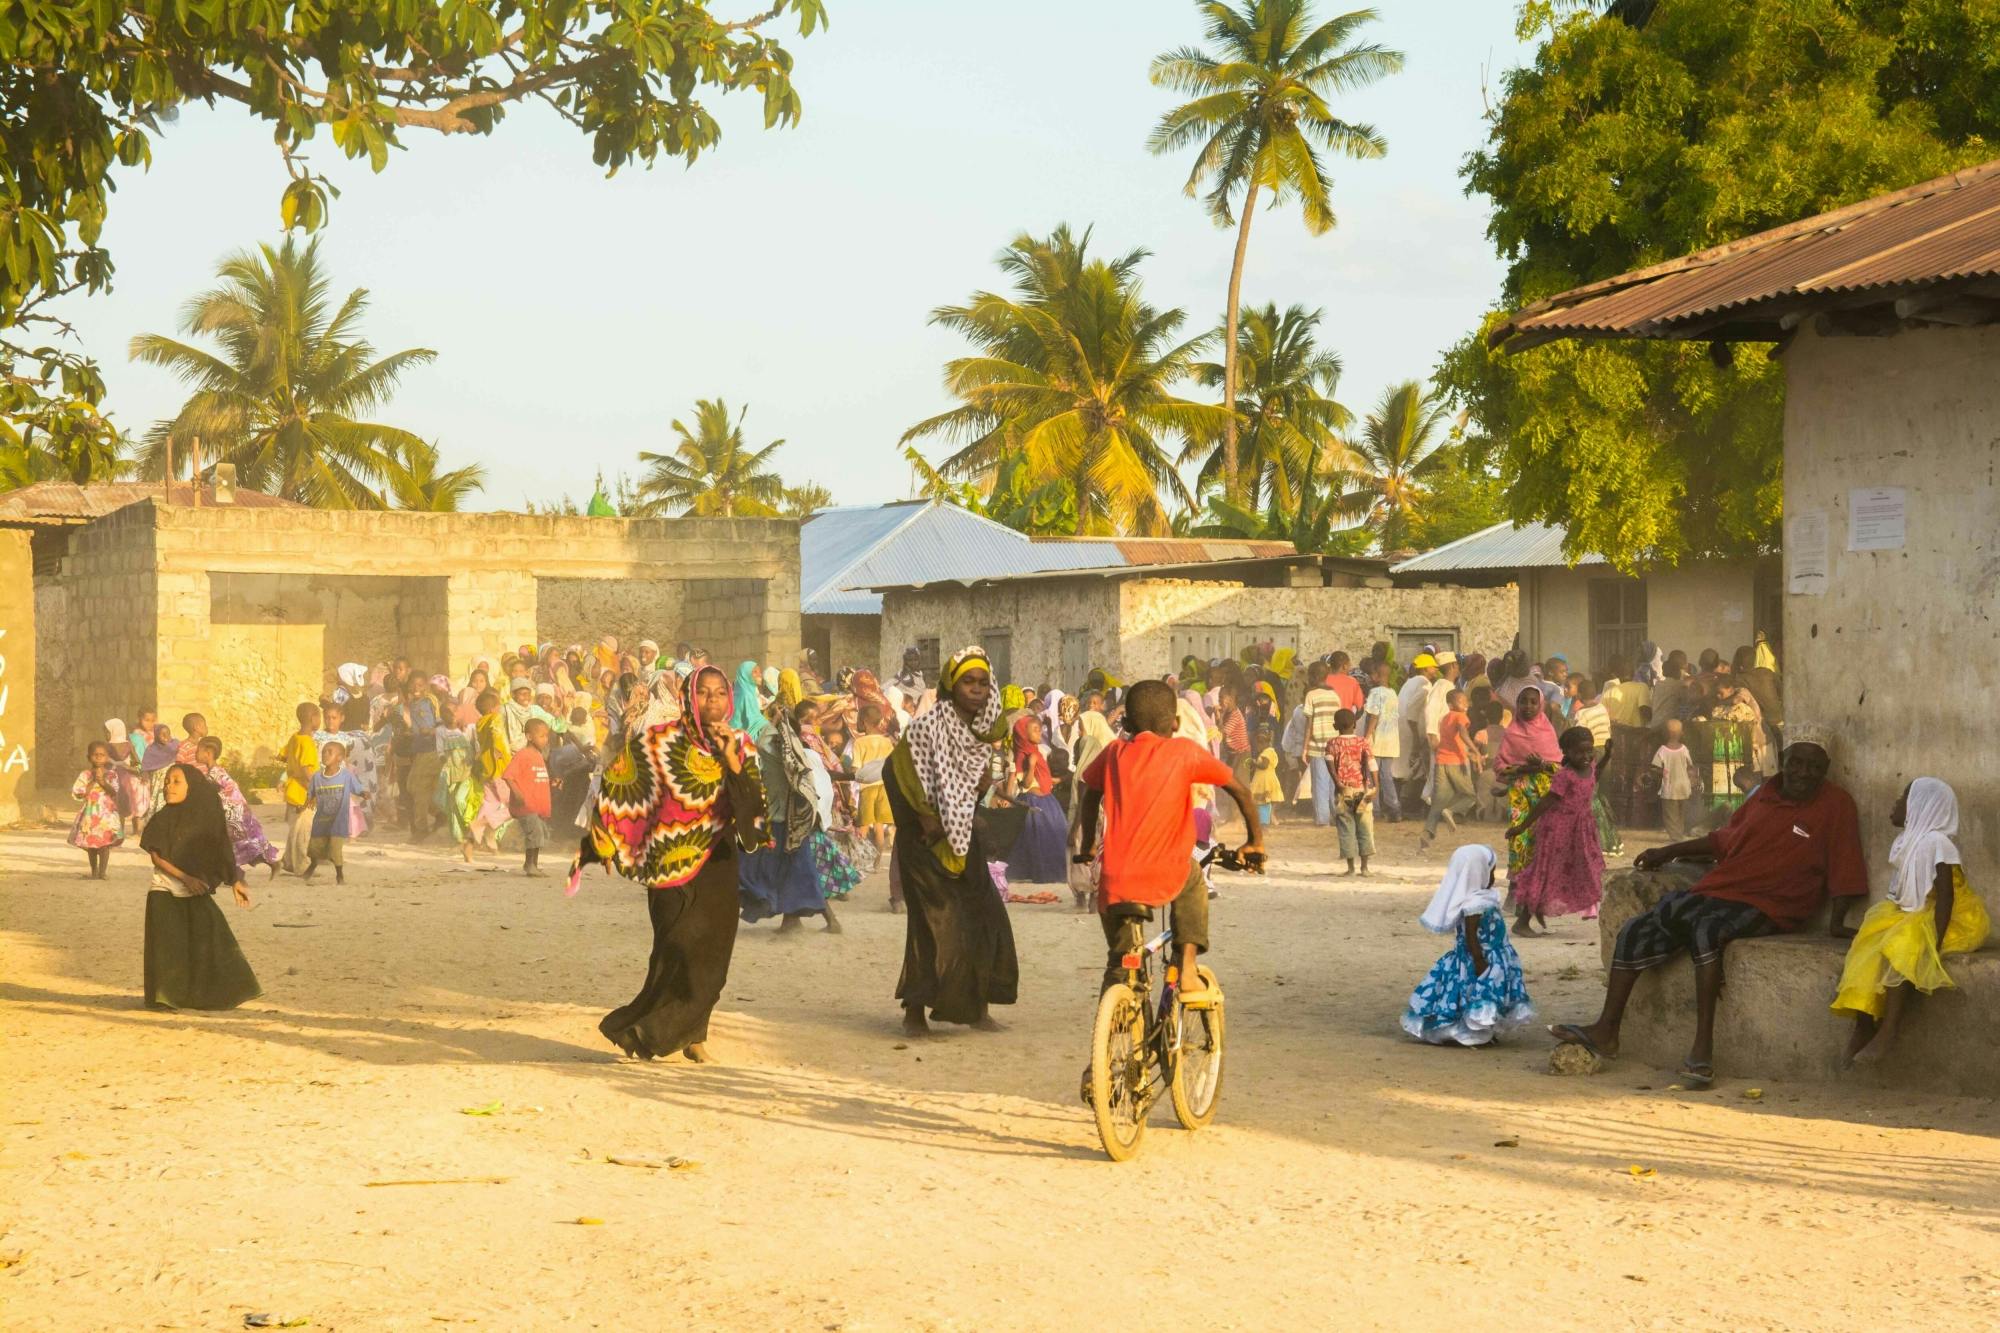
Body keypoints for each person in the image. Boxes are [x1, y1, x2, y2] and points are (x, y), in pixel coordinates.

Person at [1549, 728, 1865, 1089]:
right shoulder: (1764, 796)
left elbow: (1846, 862)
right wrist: (1668, 851)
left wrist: (1838, 922)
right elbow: (1724, 840)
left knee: (1707, 930)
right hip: (1727, 887)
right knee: (1645, 924)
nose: (1804, 773)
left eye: (1814, 767)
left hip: (1777, 903)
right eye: (1797, 763)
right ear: (1785, 763)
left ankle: (1702, 1049)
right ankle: (1606, 1029)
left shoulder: (1836, 805)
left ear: (1825, 769)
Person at [580, 664, 766, 1063]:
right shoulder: (659, 742)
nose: (712, 701)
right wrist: (603, 839)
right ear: (688, 697)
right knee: (675, 947)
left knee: (712, 958)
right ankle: (652, 1027)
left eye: (719, 693)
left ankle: (692, 1036)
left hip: (718, 861)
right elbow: (617, 784)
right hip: (665, 862)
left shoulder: (744, 746)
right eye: (704, 693)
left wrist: (732, 762)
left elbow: (752, 808)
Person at [1075, 678, 1261, 1013]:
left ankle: (1099, 1060)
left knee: (1119, 964)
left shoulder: (1114, 752)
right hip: (1168, 872)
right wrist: (1255, 842)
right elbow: (1241, 791)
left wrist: (1089, 846)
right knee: (1193, 876)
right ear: (1175, 724)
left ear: (1127, 725)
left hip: (1116, 879)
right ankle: (1187, 968)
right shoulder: (1184, 751)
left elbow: (1089, 796)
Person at [882, 646, 1019, 1035]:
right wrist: (924, 817)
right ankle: (914, 1012)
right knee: (933, 926)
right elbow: (898, 772)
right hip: (924, 844)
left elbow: (964, 793)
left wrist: (978, 791)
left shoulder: (980, 734)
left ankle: (976, 1008)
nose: (975, 689)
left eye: (982, 683)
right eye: (967, 682)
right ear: (950, 685)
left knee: (983, 918)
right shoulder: (927, 727)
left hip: (962, 838)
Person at [1832, 778, 1990, 1069]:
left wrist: (1934, 943)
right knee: (1868, 941)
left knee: (1904, 943)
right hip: (1917, 911)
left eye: (1903, 798)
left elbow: (1946, 898)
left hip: (1955, 919)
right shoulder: (1909, 841)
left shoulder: (1938, 844)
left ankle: (1889, 1029)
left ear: (1921, 807)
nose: (1896, 803)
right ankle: (1864, 1022)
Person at [139, 764, 261, 1010]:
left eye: (176, 782)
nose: (168, 787)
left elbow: (220, 849)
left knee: (213, 938)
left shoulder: (206, 818)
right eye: (167, 782)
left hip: (196, 890)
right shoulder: (163, 818)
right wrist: (186, 878)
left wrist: (234, 880)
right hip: (165, 889)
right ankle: (166, 999)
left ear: (191, 787)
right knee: (168, 946)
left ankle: (219, 994)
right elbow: (157, 857)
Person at [738, 697, 860, 934]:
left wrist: (773, 721)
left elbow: (762, 743)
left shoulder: (777, 753)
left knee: (777, 869)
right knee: (795, 871)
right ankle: (796, 921)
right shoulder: (794, 754)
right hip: (794, 822)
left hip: (782, 823)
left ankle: (801, 921)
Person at [1401, 845, 1534, 1047]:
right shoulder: (1474, 903)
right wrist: (1479, 959)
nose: (1493, 876)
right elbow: (1471, 935)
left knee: (1478, 994)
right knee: (1477, 992)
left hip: (1493, 956)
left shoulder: (1484, 897)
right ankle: (1469, 1033)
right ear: (1477, 872)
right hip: (1480, 958)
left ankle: (1481, 1031)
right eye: (1491, 871)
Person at [1506, 727, 1610, 933]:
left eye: (1589, 751)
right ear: (1566, 752)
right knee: (1545, 872)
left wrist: (1608, 755)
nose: (1586, 756)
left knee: (1583, 870)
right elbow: (1546, 802)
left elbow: (1596, 775)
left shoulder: (1590, 767)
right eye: (1579, 752)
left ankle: (1540, 908)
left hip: (1580, 830)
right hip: (1558, 830)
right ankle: (1523, 921)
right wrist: (1522, 826)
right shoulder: (1565, 776)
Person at [1495, 687, 1561, 884]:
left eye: (1533, 702)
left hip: (1546, 794)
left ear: (1540, 704)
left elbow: (1559, 767)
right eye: (1523, 701)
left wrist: (1541, 765)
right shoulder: (1511, 733)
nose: (1528, 706)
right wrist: (1521, 769)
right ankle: (1516, 884)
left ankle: (1542, 883)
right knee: (1519, 834)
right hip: (1520, 791)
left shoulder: (1548, 732)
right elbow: (1500, 765)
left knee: (1545, 835)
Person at [192, 736, 281, 878]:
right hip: (235, 813)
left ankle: (237, 875)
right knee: (238, 845)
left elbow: (215, 793)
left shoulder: (214, 774)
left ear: (208, 753)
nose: (195, 753)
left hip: (231, 816)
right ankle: (267, 865)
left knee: (232, 845)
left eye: (198, 750)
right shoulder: (217, 771)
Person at [1004, 714, 1070, 886]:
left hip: (1046, 799)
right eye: (1035, 730)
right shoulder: (1023, 755)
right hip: (1033, 800)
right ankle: (1037, 872)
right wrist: (1032, 766)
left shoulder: (1037, 751)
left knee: (1053, 835)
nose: (1039, 732)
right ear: (1024, 733)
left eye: (1040, 729)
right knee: (1037, 839)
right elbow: (1025, 783)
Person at [1419, 690, 1479, 851]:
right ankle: (1452, 811)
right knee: (1470, 795)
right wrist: (1475, 750)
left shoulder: (1445, 718)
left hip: (1440, 763)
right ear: (1451, 705)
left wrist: (1468, 751)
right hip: (1456, 763)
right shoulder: (1461, 717)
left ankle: (1427, 835)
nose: (1465, 703)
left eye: (1466, 700)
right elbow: (1463, 733)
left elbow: (1454, 741)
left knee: (1438, 801)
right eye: (1461, 701)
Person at [305, 741, 363, 884]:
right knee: (315, 847)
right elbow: (310, 794)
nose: (325, 754)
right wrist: (305, 804)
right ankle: (312, 866)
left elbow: (357, 788)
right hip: (321, 820)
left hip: (338, 820)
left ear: (340, 758)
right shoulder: (317, 777)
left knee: (336, 848)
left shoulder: (346, 776)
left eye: (329, 752)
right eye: (324, 751)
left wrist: (364, 793)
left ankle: (339, 875)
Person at [504, 718, 555, 877]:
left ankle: (533, 864)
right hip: (526, 806)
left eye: (547, 736)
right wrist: (517, 793)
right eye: (541, 736)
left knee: (539, 835)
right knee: (535, 834)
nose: (545, 739)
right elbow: (508, 776)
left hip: (537, 805)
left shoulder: (539, 755)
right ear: (529, 736)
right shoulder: (523, 755)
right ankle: (529, 865)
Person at [1328, 708, 1376, 877]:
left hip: (1343, 791)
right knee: (1365, 827)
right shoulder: (1362, 742)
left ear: (1335, 726)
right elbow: (1372, 765)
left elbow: (1330, 765)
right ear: (1355, 724)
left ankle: (1350, 868)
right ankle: (1365, 867)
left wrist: (1337, 782)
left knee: (1346, 826)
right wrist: (1375, 787)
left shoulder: (1332, 744)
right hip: (1362, 790)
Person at [69, 742, 125, 878]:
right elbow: (79, 793)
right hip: (90, 813)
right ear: (89, 758)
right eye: (95, 755)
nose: (99, 758)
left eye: (102, 755)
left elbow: (114, 792)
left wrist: (103, 782)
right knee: (91, 844)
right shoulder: (85, 775)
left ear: (107, 758)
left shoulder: (112, 774)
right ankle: (94, 871)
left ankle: (102, 872)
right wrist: (93, 780)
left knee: (105, 844)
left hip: (107, 814)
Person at [1302, 665, 1347, 827]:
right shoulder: (1334, 695)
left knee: (1319, 781)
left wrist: (1305, 747)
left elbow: (1309, 724)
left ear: (1312, 677)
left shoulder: (1311, 695)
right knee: (1331, 782)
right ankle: (1334, 816)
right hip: (1334, 744)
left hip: (1318, 744)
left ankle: (1322, 818)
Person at [279, 702, 320, 875]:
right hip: (303, 792)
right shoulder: (307, 742)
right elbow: (306, 769)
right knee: (303, 831)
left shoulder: (295, 738)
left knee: (295, 829)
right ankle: (302, 865)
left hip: (292, 788)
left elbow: (282, 755)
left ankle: (288, 861)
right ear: (314, 718)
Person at [1362, 660, 1403, 822]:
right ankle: (1394, 808)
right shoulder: (1392, 692)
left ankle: (1375, 809)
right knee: (1386, 775)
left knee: (1372, 775)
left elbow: (1374, 715)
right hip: (1391, 740)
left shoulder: (1375, 693)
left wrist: (1367, 736)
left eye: (1372, 674)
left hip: (1377, 739)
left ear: (1377, 676)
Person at [1652, 720, 1699, 839]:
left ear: (1665, 734)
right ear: (1681, 733)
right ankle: (1680, 833)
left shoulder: (1662, 750)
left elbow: (1655, 767)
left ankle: (1675, 836)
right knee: (1681, 812)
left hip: (1669, 787)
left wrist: (1662, 772)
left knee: (1670, 814)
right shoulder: (1684, 749)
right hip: (1683, 785)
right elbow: (1690, 766)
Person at [1249, 729, 1284, 827]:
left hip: (1264, 779)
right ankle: (1269, 816)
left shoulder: (1267, 752)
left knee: (1263, 800)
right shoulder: (1270, 751)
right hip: (1268, 777)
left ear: (1262, 743)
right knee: (1267, 800)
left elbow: (1264, 765)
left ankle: (1265, 820)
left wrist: (1254, 763)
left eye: (1258, 745)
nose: (1257, 748)